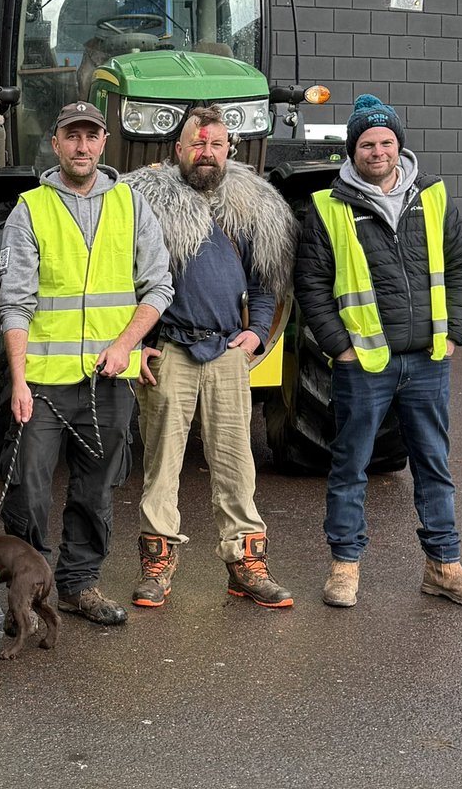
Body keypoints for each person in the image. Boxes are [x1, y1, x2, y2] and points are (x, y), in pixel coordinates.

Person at [296, 95, 462, 608]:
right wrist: (339, 348)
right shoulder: (328, 209)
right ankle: (345, 568)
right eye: (367, 144)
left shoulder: (433, 198)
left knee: (433, 464)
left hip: (426, 360)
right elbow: (311, 287)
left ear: (399, 145)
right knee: (350, 467)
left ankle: (444, 566)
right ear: (353, 150)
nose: (378, 151)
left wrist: (455, 331)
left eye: (386, 142)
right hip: (365, 365)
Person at [0, 101, 173, 626]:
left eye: (91, 136)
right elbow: (16, 303)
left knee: (96, 490)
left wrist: (125, 345)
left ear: (103, 143)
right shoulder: (30, 208)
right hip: (44, 385)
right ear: (56, 143)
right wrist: (17, 381)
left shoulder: (131, 205)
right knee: (28, 489)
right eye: (71, 136)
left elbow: (158, 286)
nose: (81, 146)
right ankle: (27, 591)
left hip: (107, 381)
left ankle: (79, 585)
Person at [124, 106, 296, 609]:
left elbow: (266, 280)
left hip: (225, 350)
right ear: (177, 150)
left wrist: (257, 334)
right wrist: (138, 342)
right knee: (161, 465)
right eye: (196, 144)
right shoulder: (144, 202)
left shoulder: (251, 207)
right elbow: (127, 276)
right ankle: (157, 566)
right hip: (169, 350)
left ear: (229, 150)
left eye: (216, 144)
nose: (206, 152)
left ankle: (246, 564)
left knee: (236, 463)